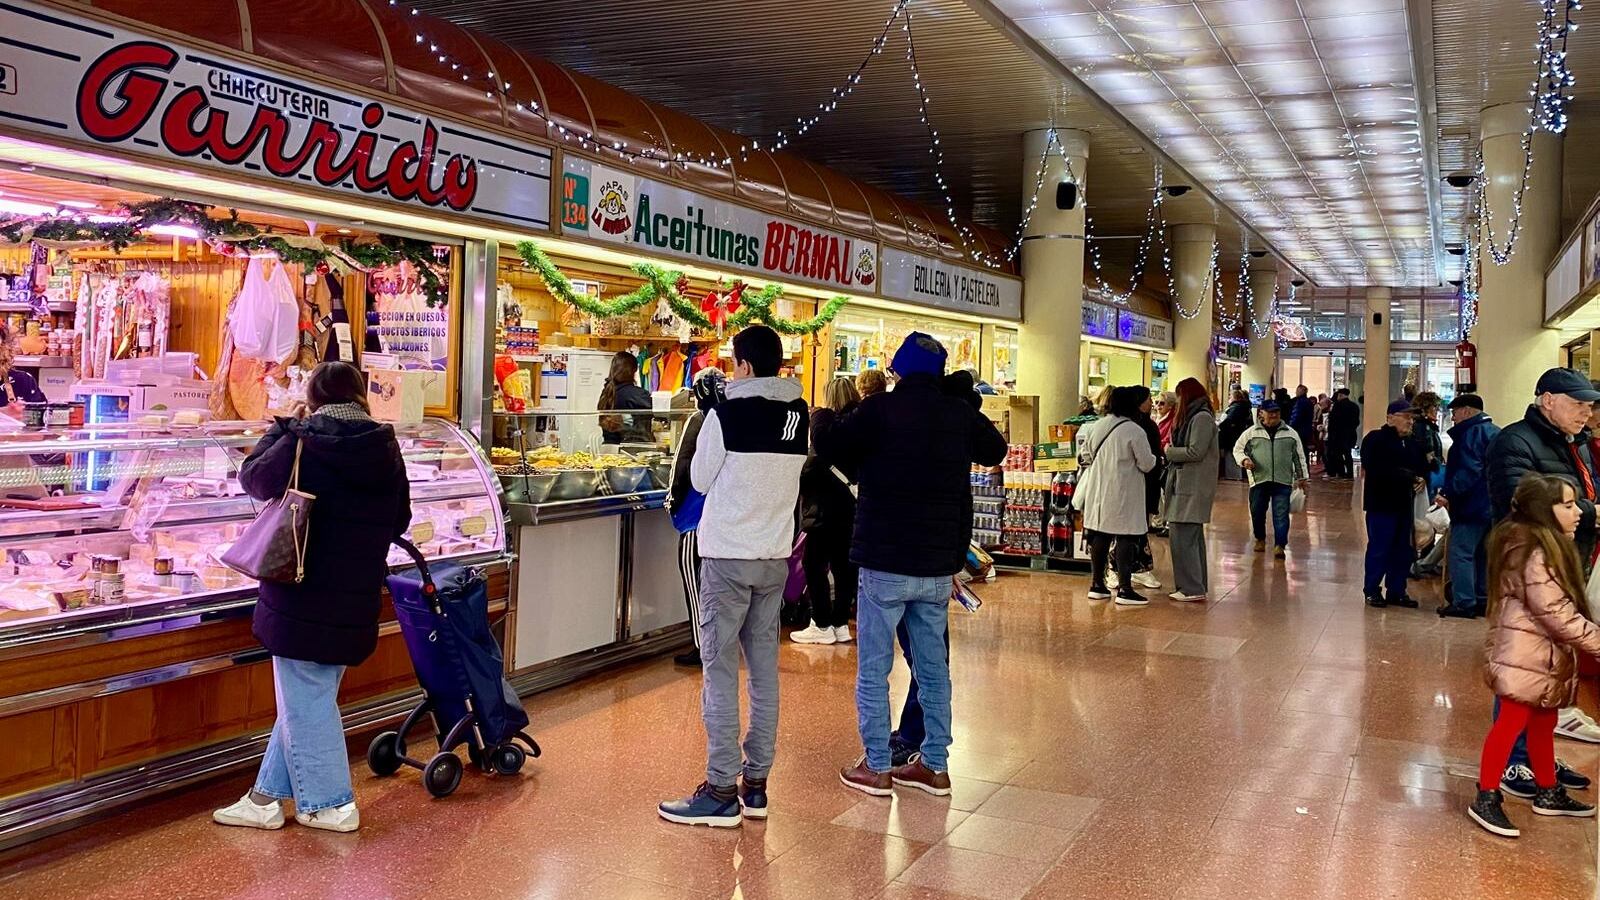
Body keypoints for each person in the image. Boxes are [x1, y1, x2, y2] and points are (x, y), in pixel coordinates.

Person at [212, 361, 410, 834]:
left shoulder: (303, 438)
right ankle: (263, 800)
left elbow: (253, 478)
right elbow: (400, 520)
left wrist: (284, 426)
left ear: (313, 396)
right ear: (360, 395)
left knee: (307, 701)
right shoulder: (385, 446)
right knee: (307, 698)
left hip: (300, 595)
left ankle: (331, 804)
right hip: (354, 595)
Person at [819, 333, 1006, 798]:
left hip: (884, 560)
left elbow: (831, 444)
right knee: (932, 670)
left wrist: (821, 414)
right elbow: (995, 450)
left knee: (874, 670)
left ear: (897, 370)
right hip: (936, 565)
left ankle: (878, 767)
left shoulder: (879, 409)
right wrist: (964, 401)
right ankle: (935, 766)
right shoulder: (957, 413)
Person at [658, 326, 808, 828]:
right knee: (764, 673)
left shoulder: (725, 415)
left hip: (726, 558)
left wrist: (710, 415)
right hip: (773, 557)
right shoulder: (798, 415)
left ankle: (721, 789)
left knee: (719, 670)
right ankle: (756, 785)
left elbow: (700, 479)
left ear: (743, 365)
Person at [1467, 474, 1600, 838]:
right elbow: (1556, 613)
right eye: (1568, 505)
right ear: (1544, 510)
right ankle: (1486, 795)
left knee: (1543, 722)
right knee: (1510, 723)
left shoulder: (1541, 545)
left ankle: (1547, 789)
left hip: (1541, 654)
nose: (1579, 512)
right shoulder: (1534, 553)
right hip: (1525, 654)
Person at [792, 376, 861, 645]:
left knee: (814, 564)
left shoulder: (824, 430)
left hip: (822, 511)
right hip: (850, 510)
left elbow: (810, 469)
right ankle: (841, 622)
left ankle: (820, 623)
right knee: (844, 568)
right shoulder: (858, 429)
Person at [1075, 385, 1158, 606]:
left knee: (1100, 536)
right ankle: (1125, 589)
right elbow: (1146, 463)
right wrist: (1156, 459)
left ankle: (1097, 585)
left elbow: (1084, 456)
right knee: (1126, 537)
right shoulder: (1134, 430)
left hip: (1098, 490)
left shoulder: (1096, 426)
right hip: (1124, 492)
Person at [666, 369, 727, 667]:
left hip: (694, 517)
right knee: (715, 587)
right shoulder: (731, 418)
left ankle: (703, 645)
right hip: (722, 517)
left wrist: (672, 501)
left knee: (694, 583)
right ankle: (716, 643)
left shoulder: (699, 420)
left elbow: (682, 464)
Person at [1360, 400, 1428, 609]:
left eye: (1412, 418)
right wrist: (1409, 476)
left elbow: (1422, 466)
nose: (1410, 422)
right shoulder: (1375, 440)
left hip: (1404, 505)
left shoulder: (1413, 443)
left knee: (1402, 550)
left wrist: (1422, 478)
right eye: (1406, 417)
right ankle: (1372, 590)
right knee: (1380, 548)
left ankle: (1397, 591)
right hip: (1381, 504)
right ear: (1390, 418)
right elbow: (1376, 467)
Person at [1439, 393, 1499, 619]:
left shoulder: (1471, 434)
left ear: (1466, 411)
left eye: (1454, 413)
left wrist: (1448, 492)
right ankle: (1482, 599)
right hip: (1491, 506)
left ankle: (1464, 602)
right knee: (1483, 555)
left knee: (1461, 553)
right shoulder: (1495, 432)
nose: (1453, 418)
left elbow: (1469, 471)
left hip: (1471, 506)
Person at [1163, 378, 1219, 602]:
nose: (1177, 401)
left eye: (1179, 395)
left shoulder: (1201, 418)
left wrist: (1169, 451)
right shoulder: (1197, 416)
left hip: (1191, 485)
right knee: (1189, 538)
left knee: (1183, 537)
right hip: (1187, 484)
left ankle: (1191, 587)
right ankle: (1195, 585)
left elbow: (1196, 451)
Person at [1234, 400, 1310, 559]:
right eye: (1270, 412)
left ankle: (1280, 545)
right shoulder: (1251, 433)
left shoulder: (1291, 434)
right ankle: (1260, 539)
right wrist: (1244, 460)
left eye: (1276, 411)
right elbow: (1238, 449)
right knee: (1257, 512)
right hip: (1259, 480)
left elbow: (1299, 456)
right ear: (1261, 414)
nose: (1274, 415)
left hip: (1283, 481)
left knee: (1281, 515)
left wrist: (1302, 477)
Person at [597, 350, 653, 444]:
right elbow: (660, 411)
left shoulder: (606, 391)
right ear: (633, 371)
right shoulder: (636, 394)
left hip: (608, 446)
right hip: (632, 447)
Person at [0, 324, 47, 413]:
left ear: (4, 346)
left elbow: (43, 415)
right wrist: (4, 413)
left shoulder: (23, 380)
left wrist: (25, 414)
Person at [1411, 391, 1445, 499]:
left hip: (1428, 477)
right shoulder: (1422, 427)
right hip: (1424, 478)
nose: (1437, 410)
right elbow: (1426, 453)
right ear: (1425, 408)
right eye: (1435, 406)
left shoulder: (1428, 427)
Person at [1217, 389, 1254, 481]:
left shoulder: (1235, 407)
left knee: (1232, 456)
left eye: (1230, 396)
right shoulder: (1245, 407)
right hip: (1238, 435)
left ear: (1235, 398)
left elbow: (1227, 421)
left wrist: (1220, 425)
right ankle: (1235, 476)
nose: (1229, 398)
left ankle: (1233, 477)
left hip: (1232, 436)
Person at [1325, 388, 1362, 480]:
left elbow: (1333, 422)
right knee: (1348, 454)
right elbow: (1356, 422)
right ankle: (1350, 474)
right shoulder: (1354, 406)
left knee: (1337, 454)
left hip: (1338, 435)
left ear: (1340, 395)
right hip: (1350, 434)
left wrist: (1331, 434)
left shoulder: (1337, 406)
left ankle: (1341, 473)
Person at [1289, 385, 1316, 457]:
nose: (1296, 392)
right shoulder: (1309, 402)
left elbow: (1296, 416)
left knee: (1299, 449)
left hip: (1299, 430)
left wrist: (1290, 427)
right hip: (1307, 430)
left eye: (1297, 391)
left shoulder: (1299, 402)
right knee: (1304, 449)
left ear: (1301, 391)